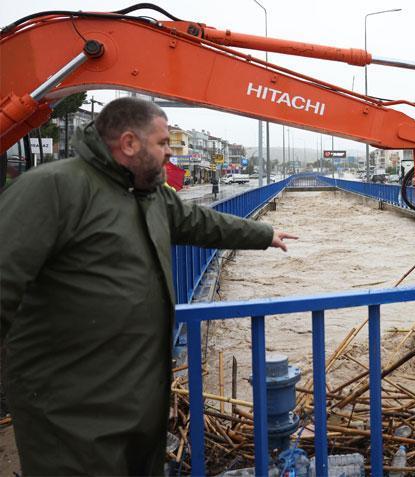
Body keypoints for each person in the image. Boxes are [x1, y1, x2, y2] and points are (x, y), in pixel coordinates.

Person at [0, 97, 296, 475]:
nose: (170, 153)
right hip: (69, 411)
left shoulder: (149, 194)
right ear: (129, 143)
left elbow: (201, 223)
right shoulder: (53, 188)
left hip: (137, 401)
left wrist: (264, 234)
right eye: (162, 143)